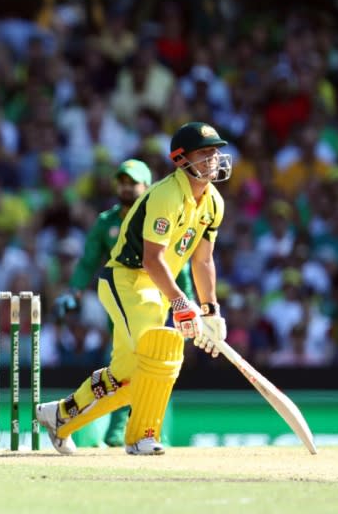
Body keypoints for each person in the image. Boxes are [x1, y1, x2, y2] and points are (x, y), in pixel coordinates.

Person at [38, 121, 232, 456]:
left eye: (216, 152)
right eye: (204, 153)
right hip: (126, 279)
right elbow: (152, 260)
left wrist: (210, 309)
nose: (214, 160)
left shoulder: (213, 202)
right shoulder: (166, 195)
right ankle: (141, 435)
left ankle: (60, 416)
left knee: (128, 377)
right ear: (181, 159)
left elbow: (202, 261)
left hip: (154, 288)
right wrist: (181, 303)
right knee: (160, 351)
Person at [54, 159, 195, 447]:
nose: (126, 187)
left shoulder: (163, 213)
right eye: (122, 182)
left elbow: (180, 265)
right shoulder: (107, 221)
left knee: (144, 364)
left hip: (154, 300)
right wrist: (75, 290)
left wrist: (189, 302)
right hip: (119, 298)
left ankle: (138, 426)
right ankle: (125, 428)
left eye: (133, 182)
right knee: (132, 364)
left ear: (147, 186)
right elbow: (89, 259)